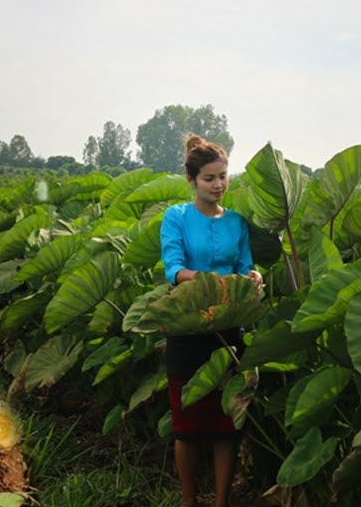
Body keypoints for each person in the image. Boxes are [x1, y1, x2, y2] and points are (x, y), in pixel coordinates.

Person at [160, 135, 264, 507]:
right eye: (209, 178)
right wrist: (215, 281)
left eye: (223, 176)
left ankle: (221, 502)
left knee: (227, 426)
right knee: (187, 427)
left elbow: (245, 266)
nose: (218, 184)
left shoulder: (236, 222)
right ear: (192, 180)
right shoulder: (176, 217)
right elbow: (174, 270)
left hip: (228, 327)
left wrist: (253, 277)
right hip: (189, 325)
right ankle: (188, 501)